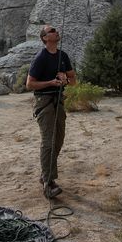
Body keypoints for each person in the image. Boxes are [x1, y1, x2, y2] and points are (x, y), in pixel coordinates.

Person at [26, 25, 76, 199]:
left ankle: (46, 175)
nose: (57, 31)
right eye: (52, 30)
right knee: (48, 141)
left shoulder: (63, 56)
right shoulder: (41, 58)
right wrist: (50, 83)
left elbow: (73, 80)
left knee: (58, 140)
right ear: (45, 38)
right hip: (44, 102)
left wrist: (65, 81)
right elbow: (30, 84)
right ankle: (48, 183)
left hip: (58, 101)